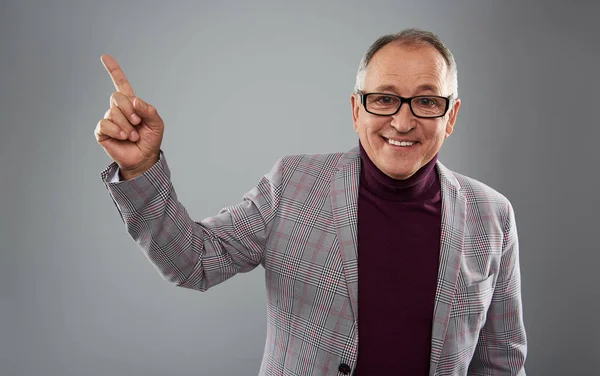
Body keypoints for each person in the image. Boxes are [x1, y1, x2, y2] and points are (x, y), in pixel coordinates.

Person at [95, 28, 527, 375]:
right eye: (383, 98)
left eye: (427, 101)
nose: (402, 120)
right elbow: (193, 262)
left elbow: (501, 361)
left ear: (450, 116)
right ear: (356, 110)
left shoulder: (492, 216)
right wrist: (141, 167)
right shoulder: (293, 185)